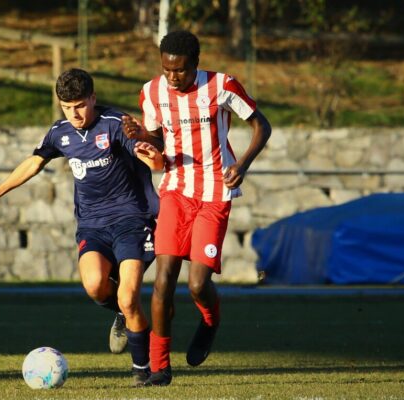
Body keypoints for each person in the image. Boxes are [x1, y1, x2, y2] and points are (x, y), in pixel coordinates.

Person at [0, 68, 164, 386]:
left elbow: (154, 162)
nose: (74, 113)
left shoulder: (115, 124)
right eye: (66, 107)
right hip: (92, 226)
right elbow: (34, 162)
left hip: (132, 221)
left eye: (79, 105)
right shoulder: (59, 132)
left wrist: (152, 157)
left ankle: (142, 372)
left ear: (93, 98)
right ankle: (121, 314)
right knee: (94, 286)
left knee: (130, 297)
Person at [123, 30, 272, 386]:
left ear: (196, 63)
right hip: (175, 189)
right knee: (162, 280)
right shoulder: (152, 92)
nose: (173, 77)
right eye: (167, 69)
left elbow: (261, 125)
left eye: (181, 70)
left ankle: (210, 320)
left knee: (197, 284)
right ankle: (159, 368)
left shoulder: (222, 85)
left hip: (215, 193)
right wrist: (140, 135)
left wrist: (243, 164)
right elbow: (158, 137)